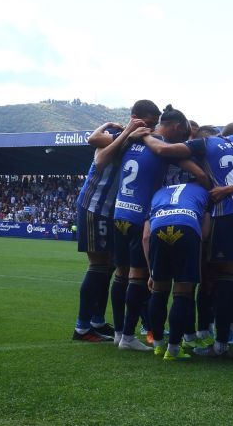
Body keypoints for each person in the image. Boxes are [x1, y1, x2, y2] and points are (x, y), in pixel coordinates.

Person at [136, 122, 233, 359]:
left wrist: (143, 137)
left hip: (226, 211)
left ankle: (219, 343)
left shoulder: (204, 145)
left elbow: (165, 151)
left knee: (222, 279)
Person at [112, 106, 202, 352]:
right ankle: (129, 335)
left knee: (123, 275)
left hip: (119, 212)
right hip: (140, 214)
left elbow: (100, 145)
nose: (183, 139)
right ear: (175, 127)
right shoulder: (163, 148)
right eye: (182, 134)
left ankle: (119, 333)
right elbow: (195, 170)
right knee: (139, 278)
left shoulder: (133, 140)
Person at [73, 101, 163, 344]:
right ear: (135, 118)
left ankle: (97, 320)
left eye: (155, 124)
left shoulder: (140, 140)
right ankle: (82, 327)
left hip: (113, 211)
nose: (151, 128)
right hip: (94, 206)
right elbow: (96, 149)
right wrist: (125, 132)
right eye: (148, 122)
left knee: (112, 266)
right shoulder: (117, 136)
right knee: (98, 266)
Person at [143, 182, 210, 361]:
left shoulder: (158, 192)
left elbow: (145, 236)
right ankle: (173, 349)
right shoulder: (203, 191)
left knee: (158, 290)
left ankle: (157, 345)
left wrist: (151, 272)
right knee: (183, 293)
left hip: (158, 229)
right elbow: (204, 232)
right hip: (187, 227)